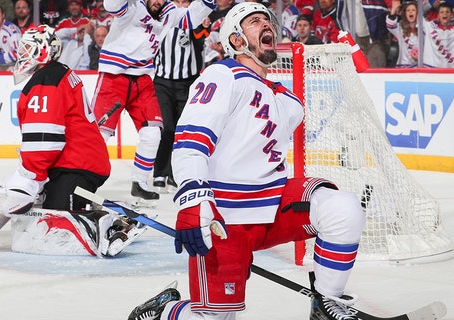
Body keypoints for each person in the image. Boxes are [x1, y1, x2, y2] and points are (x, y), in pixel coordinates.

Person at [127, 2, 366, 320]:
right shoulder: (222, 74)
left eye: (268, 21)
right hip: (223, 220)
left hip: (272, 205)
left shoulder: (287, 99)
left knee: (343, 209)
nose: (267, 25)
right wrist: (194, 199)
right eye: (254, 22)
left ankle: (327, 303)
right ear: (237, 40)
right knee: (216, 318)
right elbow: (190, 140)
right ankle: (164, 311)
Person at [0, 25, 141, 257]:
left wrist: (30, 179)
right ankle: (110, 213)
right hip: (73, 161)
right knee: (44, 215)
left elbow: (44, 141)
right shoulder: (54, 73)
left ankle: (112, 225)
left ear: (43, 51)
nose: (22, 54)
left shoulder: (46, 80)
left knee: (58, 228)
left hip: (77, 165)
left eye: (28, 48)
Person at [90, 0, 216, 205]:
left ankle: (139, 183)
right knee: (99, 134)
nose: (157, 2)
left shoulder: (169, 11)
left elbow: (191, 18)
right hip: (115, 77)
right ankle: (80, 179)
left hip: (143, 79)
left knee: (152, 133)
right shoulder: (131, 8)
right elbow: (111, 5)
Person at [152, 0, 205, 193]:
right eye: (178, 1)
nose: (181, 5)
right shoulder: (160, 19)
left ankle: (176, 175)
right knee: (165, 128)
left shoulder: (194, 21)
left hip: (187, 83)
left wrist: (203, 24)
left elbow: (201, 37)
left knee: (183, 130)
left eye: (185, 1)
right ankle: (159, 172)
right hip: (162, 82)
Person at [56, 0, 93, 70]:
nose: (74, 7)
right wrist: (76, 29)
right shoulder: (63, 22)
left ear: (81, 7)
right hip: (63, 65)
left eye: (76, 5)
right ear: (68, 8)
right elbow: (56, 35)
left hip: (81, 67)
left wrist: (86, 34)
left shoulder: (87, 20)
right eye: (72, 5)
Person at [386, 0, 420, 68]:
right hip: (402, 67)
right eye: (408, 10)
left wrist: (420, 58)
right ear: (405, 14)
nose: (410, 11)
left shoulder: (424, 30)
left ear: (417, 13)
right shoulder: (400, 29)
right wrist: (393, 9)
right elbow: (390, 25)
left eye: (413, 10)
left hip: (419, 68)